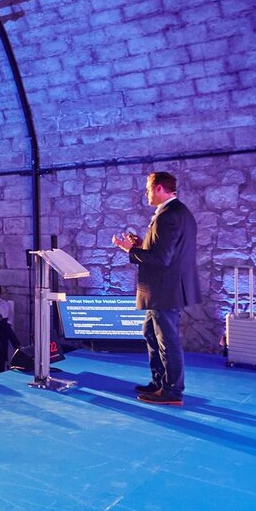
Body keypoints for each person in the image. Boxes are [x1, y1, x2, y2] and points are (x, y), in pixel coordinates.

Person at [112, 171, 201, 405]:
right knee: (150, 332)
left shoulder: (167, 216)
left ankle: (172, 391)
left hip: (164, 290)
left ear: (159, 188)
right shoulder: (180, 212)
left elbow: (161, 259)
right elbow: (166, 251)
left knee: (167, 340)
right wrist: (142, 245)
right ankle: (160, 382)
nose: (146, 193)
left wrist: (129, 250)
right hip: (168, 288)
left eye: (148, 189)